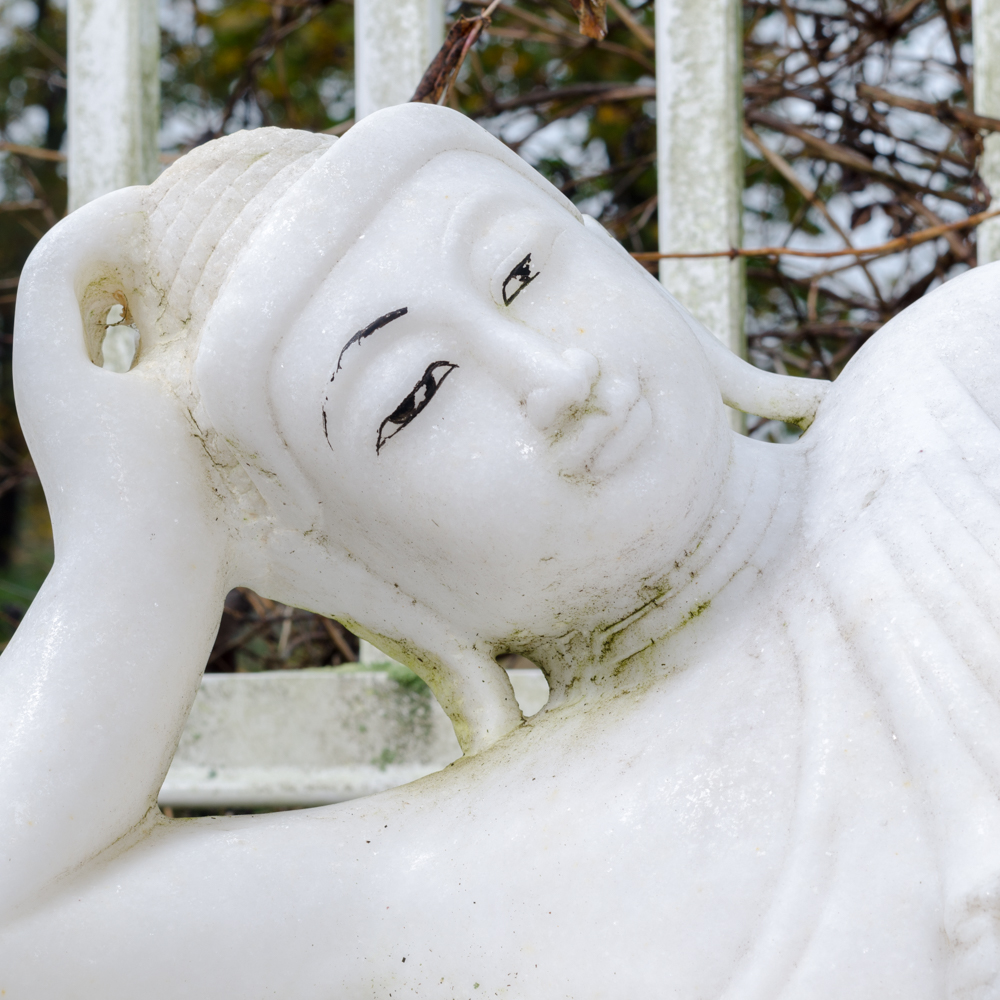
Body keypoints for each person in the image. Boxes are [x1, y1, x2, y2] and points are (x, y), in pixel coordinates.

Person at [0, 102, 994, 997]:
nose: (553, 372)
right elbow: (21, 925)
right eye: (414, 395)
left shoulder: (955, 383)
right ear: (363, 563)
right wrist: (138, 532)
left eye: (521, 271)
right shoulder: (472, 867)